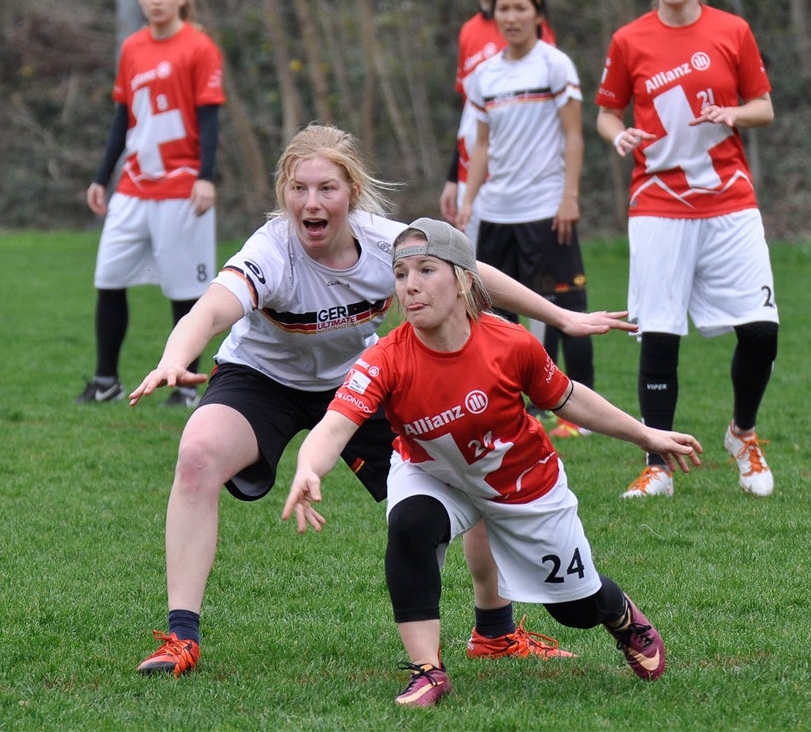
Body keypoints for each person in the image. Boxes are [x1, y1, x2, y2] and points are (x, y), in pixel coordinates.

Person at [126, 124, 636, 678]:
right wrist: (176, 355)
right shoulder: (271, 250)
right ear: (283, 192)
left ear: (352, 191)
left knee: (471, 455)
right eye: (298, 189)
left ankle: (495, 630)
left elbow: (469, 270)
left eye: (326, 189)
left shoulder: (382, 242)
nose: (311, 202)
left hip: (359, 379)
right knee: (197, 452)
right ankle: (182, 637)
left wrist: (560, 317)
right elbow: (212, 309)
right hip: (263, 378)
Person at [282, 218, 703, 707]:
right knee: (411, 524)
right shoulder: (385, 359)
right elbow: (335, 424)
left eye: (426, 270)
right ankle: (427, 671)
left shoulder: (510, 343)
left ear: (463, 280)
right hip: (434, 473)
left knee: (575, 609)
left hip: (522, 483)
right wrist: (309, 467)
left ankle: (622, 616)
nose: (411, 285)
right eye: (400, 275)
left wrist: (645, 435)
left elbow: (569, 399)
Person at [595, 0, 779, 499]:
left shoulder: (733, 31)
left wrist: (733, 113)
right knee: (660, 334)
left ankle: (742, 435)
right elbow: (604, 112)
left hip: (729, 199)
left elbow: (764, 107)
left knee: (762, 332)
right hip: (657, 203)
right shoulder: (629, 39)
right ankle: (659, 465)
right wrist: (618, 134)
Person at [76, 0, 224, 408]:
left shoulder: (200, 48)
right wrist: (102, 177)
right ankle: (106, 381)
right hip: (133, 188)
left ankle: (185, 387)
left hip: (182, 188)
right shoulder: (133, 48)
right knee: (108, 279)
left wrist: (206, 177)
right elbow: (122, 119)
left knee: (185, 292)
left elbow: (210, 120)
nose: (156, 0)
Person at [456, 0, 595, 441]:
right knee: (497, 315)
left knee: (566, 304)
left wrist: (569, 196)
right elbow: (480, 147)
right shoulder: (484, 76)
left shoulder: (555, 65)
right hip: (497, 215)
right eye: (503, 9)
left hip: (546, 209)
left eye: (520, 8)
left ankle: (579, 412)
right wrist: (467, 202)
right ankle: (512, 409)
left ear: (538, 14)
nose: (511, 17)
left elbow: (574, 135)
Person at [439, 0, 556, 244]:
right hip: (472, 177)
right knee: (478, 278)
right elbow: (471, 113)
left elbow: (547, 111)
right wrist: (453, 178)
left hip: (519, 183)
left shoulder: (531, 29)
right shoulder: (468, 32)